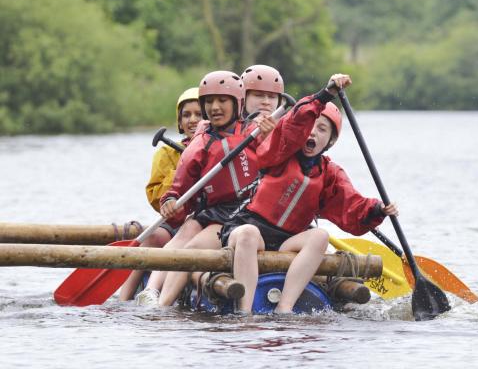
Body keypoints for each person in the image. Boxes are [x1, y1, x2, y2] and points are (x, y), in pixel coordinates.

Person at [219, 73, 398, 314]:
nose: (313, 133)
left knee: (320, 236)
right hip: (249, 229)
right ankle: (245, 312)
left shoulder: (330, 174)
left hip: (288, 241)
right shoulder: (281, 151)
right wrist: (325, 94)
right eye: (311, 127)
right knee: (249, 234)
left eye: (322, 129)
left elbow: (350, 206)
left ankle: (285, 308)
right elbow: (295, 123)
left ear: (330, 141)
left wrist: (377, 209)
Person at [135, 70, 275, 306]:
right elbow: (181, 183)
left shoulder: (256, 131)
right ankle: (153, 294)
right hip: (214, 209)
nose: (215, 107)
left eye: (222, 100)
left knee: (193, 247)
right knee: (187, 229)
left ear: (237, 103)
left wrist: (273, 134)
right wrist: (170, 200)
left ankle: (162, 304)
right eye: (209, 101)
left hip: (245, 208)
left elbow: (280, 156)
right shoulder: (201, 141)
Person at [119, 87, 201, 301]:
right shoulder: (167, 153)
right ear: (180, 123)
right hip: (175, 221)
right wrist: (183, 168)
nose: (192, 120)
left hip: (204, 223)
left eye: (199, 114)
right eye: (186, 115)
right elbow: (156, 197)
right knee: (153, 236)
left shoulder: (220, 149)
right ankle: (123, 299)